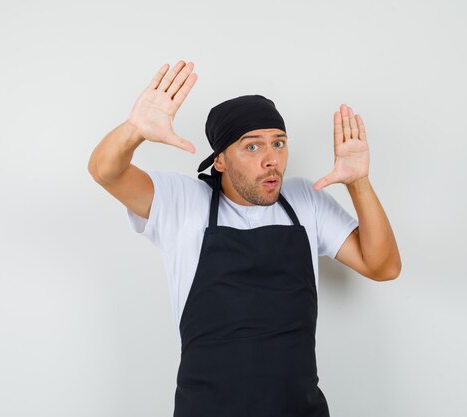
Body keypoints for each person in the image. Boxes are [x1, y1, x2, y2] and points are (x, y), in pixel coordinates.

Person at [88, 59, 401, 417]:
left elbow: (384, 266)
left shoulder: (305, 200)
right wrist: (135, 129)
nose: (272, 160)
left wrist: (358, 182)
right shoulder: (183, 202)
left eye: (279, 143)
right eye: (252, 147)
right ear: (220, 160)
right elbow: (105, 171)